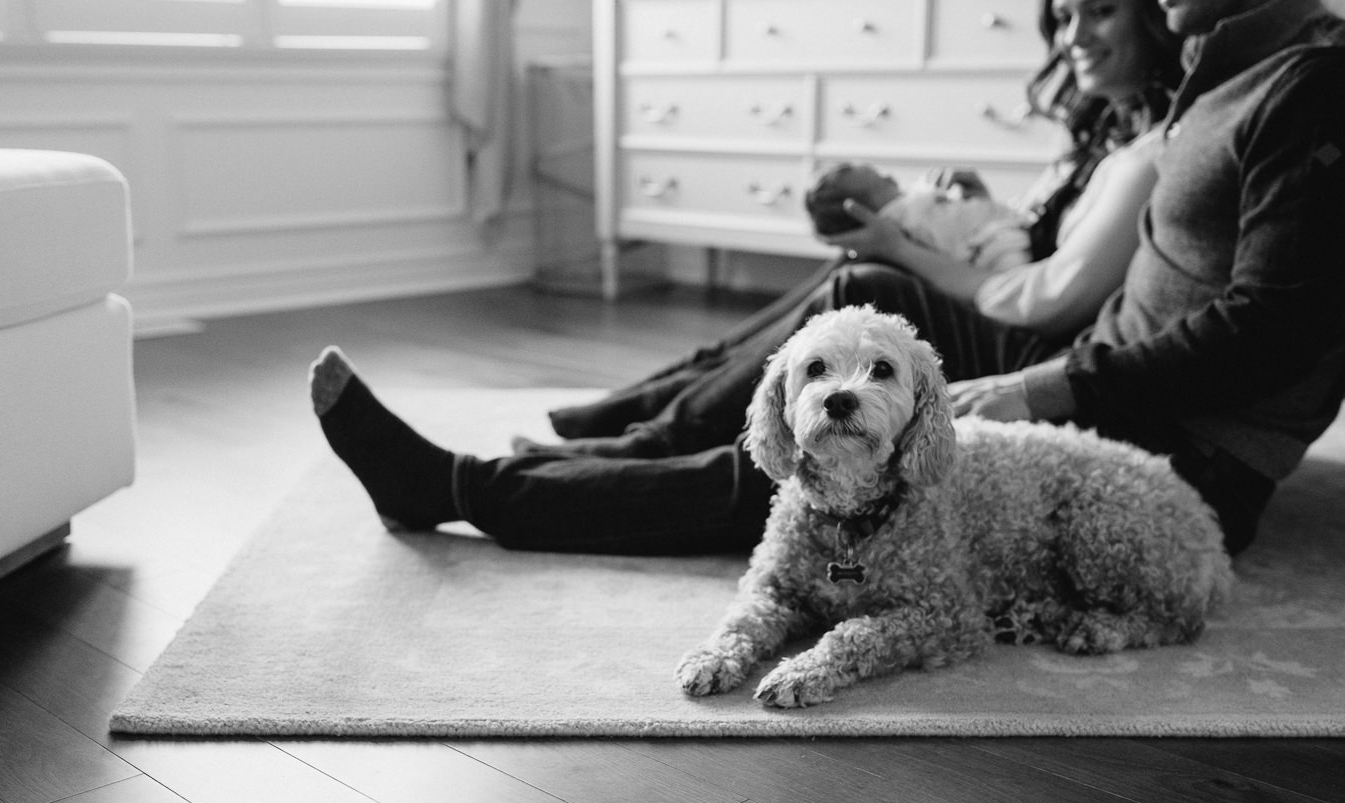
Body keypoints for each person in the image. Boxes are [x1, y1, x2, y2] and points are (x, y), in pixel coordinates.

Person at [312, 0, 1345, 558]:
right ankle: (634, 437)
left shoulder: (1316, 84)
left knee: (834, 468)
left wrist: (1040, 388)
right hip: (1110, 371)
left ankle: (463, 490)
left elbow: (1276, 328)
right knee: (867, 308)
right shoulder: (1231, 71)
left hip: (1183, 451)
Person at [520, 0, 1184, 460]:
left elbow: (1046, 298)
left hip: (1032, 350)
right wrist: (986, 206)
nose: (1073, 37)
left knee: (863, 285)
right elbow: (1045, 242)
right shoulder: (1106, 133)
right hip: (1009, 311)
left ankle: (653, 436)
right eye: (1064, 17)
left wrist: (904, 248)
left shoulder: (1153, 154)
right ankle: (647, 407)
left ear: (1157, 19)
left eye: (1102, 12)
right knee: (848, 281)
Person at [804, 162, 1034, 273]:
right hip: (993, 245)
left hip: (995, 237)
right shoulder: (903, 216)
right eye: (884, 182)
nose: (892, 177)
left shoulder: (908, 210)